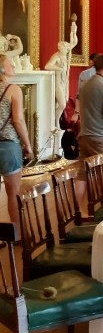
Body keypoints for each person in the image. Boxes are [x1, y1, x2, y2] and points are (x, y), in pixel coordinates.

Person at [76, 52, 103, 206]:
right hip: (101, 137)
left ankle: (78, 210)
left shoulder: (85, 85)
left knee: (82, 175)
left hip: (84, 135)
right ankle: (99, 208)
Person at [0, 53, 33, 228]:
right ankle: (17, 234)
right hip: (7, 145)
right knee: (13, 192)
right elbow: (18, 121)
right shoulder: (13, 89)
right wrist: (27, 144)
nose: (13, 65)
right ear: (1, 69)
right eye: (9, 63)